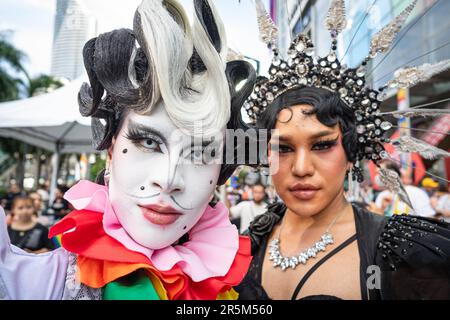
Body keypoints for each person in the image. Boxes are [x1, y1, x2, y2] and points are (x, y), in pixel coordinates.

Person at [0, 0, 258, 300]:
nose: (169, 179)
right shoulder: (34, 285)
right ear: (111, 150)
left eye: (200, 153)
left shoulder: (235, 288)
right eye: (148, 142)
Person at [235, 0, 450, 300]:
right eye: (282, 149)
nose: (301, 168)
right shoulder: (244, 244)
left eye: (322, 145)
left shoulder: (405, 253)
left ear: (351, 152)